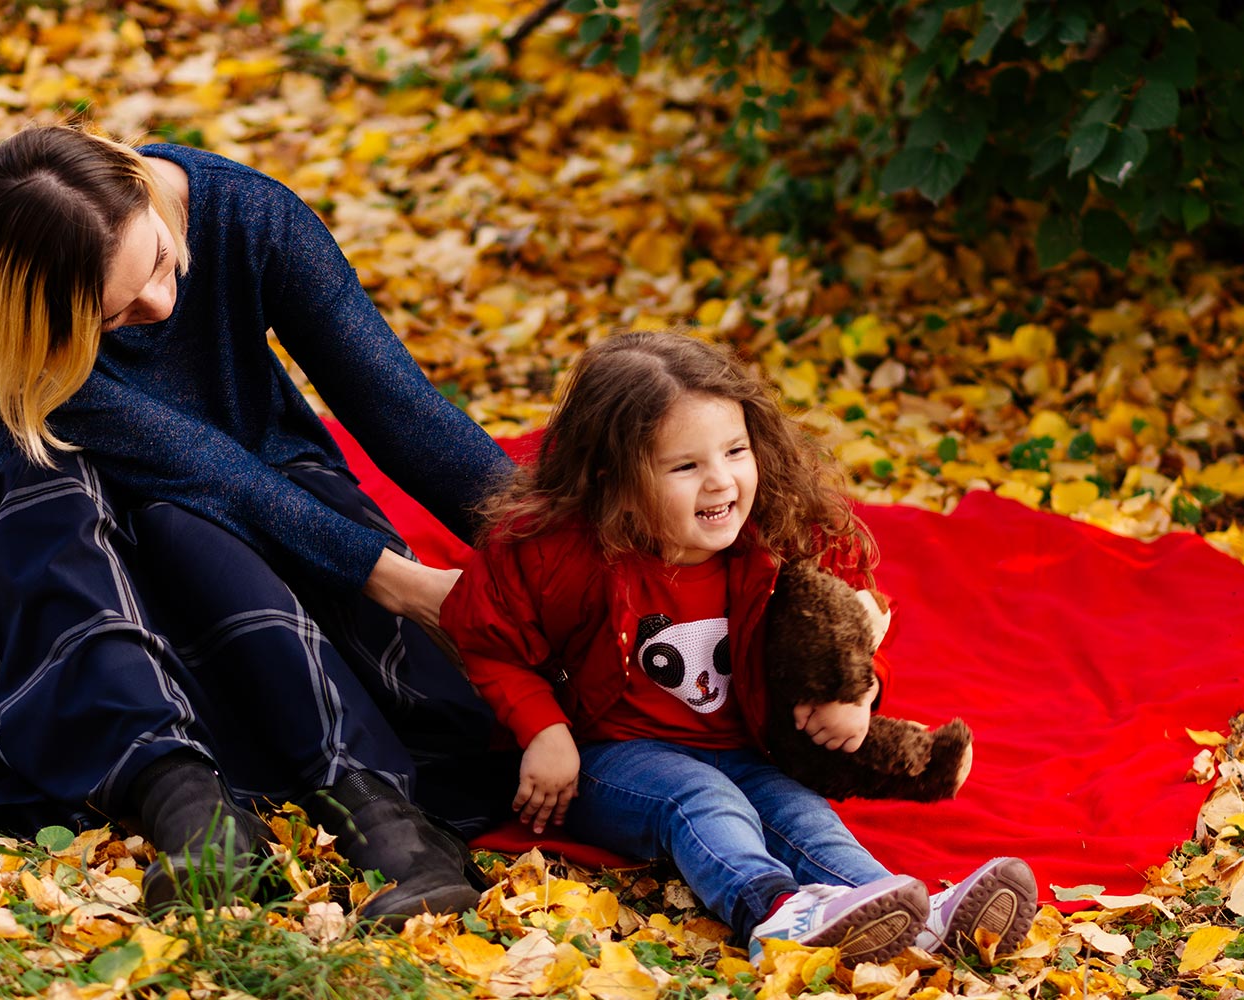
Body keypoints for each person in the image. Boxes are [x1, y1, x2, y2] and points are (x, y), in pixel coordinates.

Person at [0, 122, 517, 923]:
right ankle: (189, 808)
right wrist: (403, 581)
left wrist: (554, 549)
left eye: (163, 267)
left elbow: (401, 412)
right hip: (84, 545)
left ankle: (381, 817)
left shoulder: (249, 214)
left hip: (277, 505)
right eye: (113, 316)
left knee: (191, 520)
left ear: (146, 196)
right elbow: (185, 461)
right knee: (61, 494)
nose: (162, 304)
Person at [441, 332, 1038, 966]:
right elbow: (487, 638)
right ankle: (774, 912)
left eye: (735, 451)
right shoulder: (561, 551)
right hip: (610, 758)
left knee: (799, 813)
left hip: (746, 746)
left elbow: (844, 627)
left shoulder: (775, 538)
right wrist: (544, 729)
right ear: (613, 475)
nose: (721, 480)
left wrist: (855, 694)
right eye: (685, 466)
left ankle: (905, 912)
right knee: (702, 799)